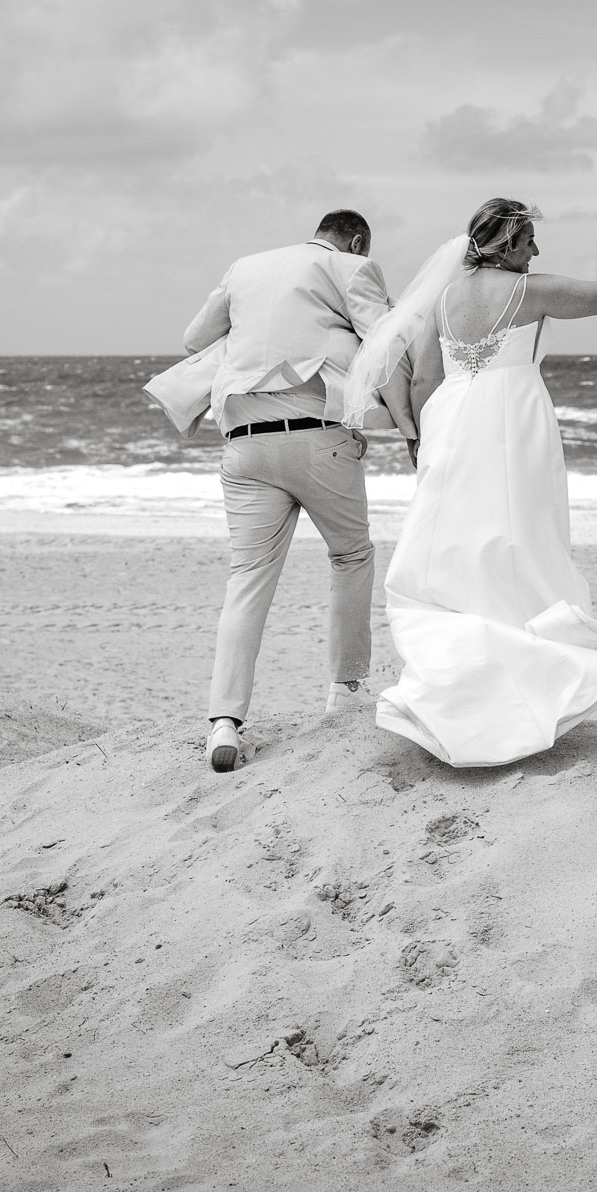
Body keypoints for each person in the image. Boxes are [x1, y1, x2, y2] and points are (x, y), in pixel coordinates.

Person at [341, 198, 597, 766]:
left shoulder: (443, 298)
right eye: (529, 240)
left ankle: (463, 685)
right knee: (522, 545)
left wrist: (422, 444)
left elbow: (422, 381)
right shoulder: (528, 292)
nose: (537, 251)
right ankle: (522, 686)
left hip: (450, 426)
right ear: (506, 244)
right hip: (512, 423)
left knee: (462, 553)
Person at [183, 209, 427, 773]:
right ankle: (345, 691)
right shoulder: (351, 267)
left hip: (244, 442)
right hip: (319, 438)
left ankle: (224, 721)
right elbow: (387, 346)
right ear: (357, 241)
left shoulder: (244, 267)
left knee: (247, 578)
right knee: (351, 556)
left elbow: (193, 339)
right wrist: (409, 430)